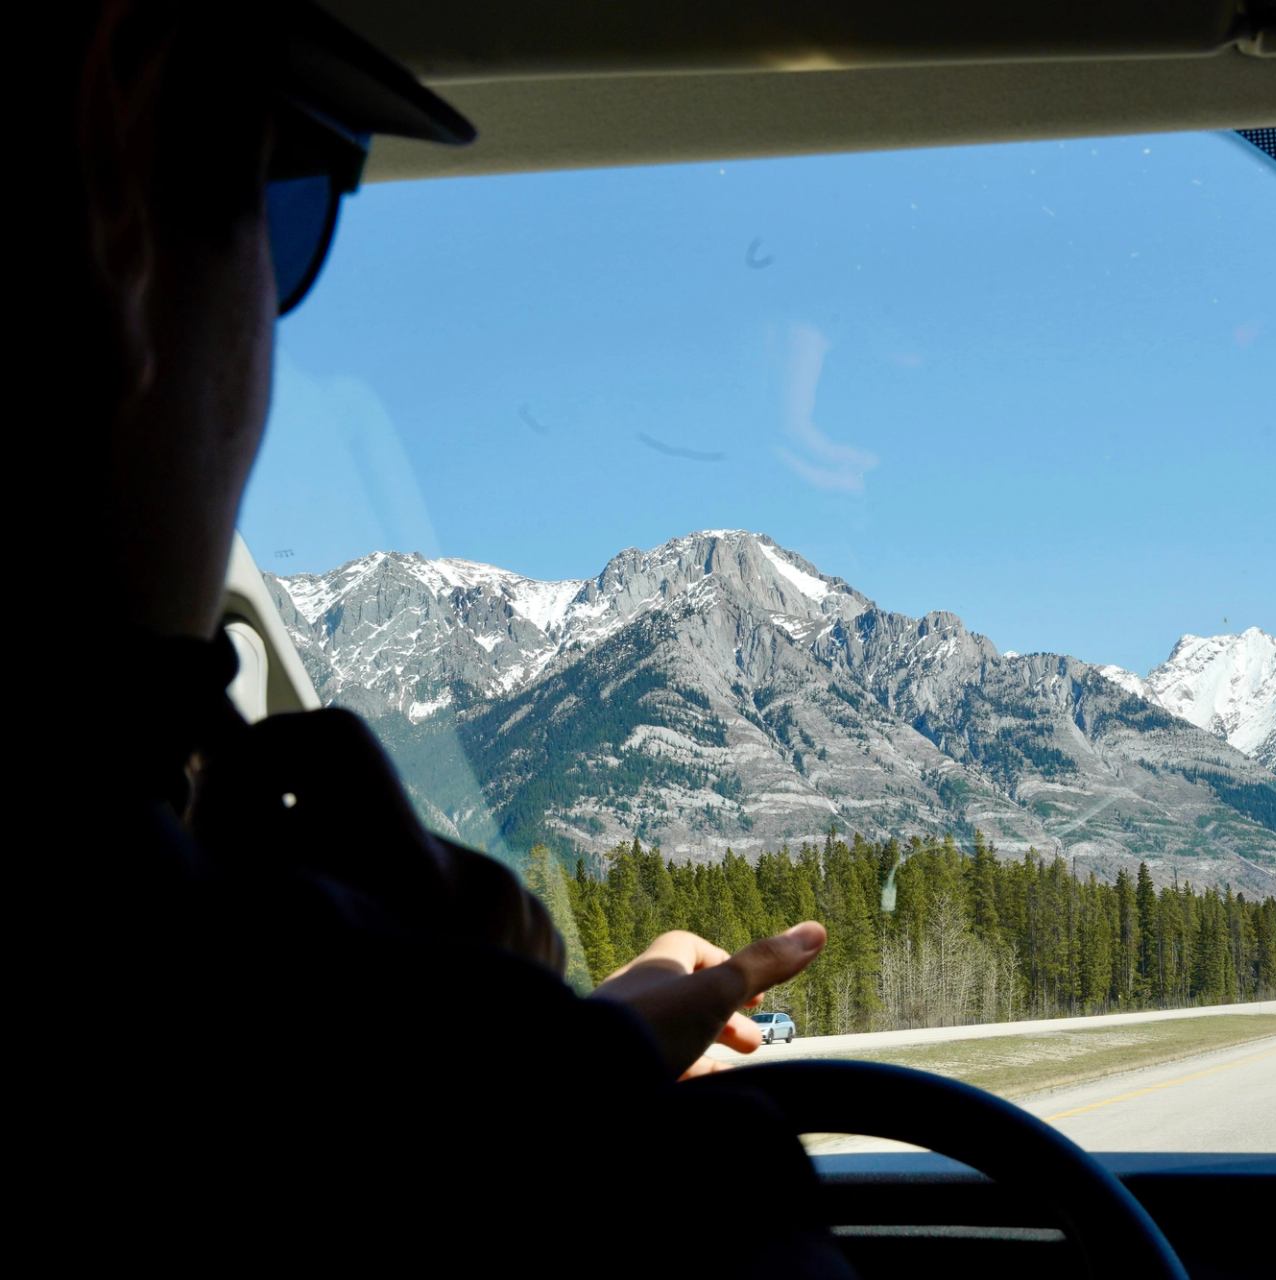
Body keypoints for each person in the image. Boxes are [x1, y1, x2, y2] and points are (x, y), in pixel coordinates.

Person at [62, 2, 851, 1265]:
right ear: (116, 164)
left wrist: (544, 1033)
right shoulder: (237, 1013)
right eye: (288, 200)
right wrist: (508, 1052)